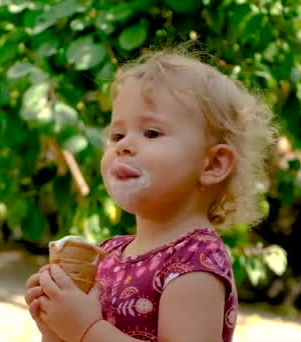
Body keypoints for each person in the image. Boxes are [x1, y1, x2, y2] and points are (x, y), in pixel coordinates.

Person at [25, 47, 277, 342]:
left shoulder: (195, 262)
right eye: (117, 135)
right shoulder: (108, 254)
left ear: (213, 164)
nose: (124, 145)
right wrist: (55, 327)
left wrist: (85, 328)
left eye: (152, 133)